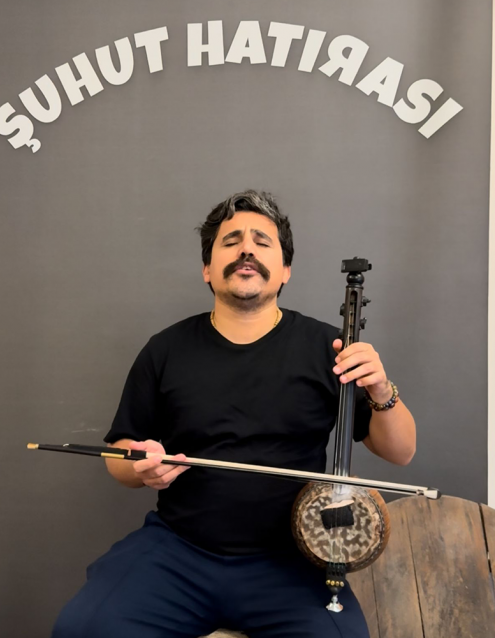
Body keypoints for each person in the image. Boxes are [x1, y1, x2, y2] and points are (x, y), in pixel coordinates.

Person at [52, 190, 416, 638]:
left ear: (285, 270)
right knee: (81, 629)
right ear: (207, 268)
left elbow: (401, 452)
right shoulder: (165, 349)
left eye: (262, 241)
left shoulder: (330, 348)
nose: (246, 249)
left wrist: (380, 389)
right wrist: (139, 465)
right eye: (231, 241)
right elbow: (119, 454)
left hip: (290, 560)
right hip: (178, 551)